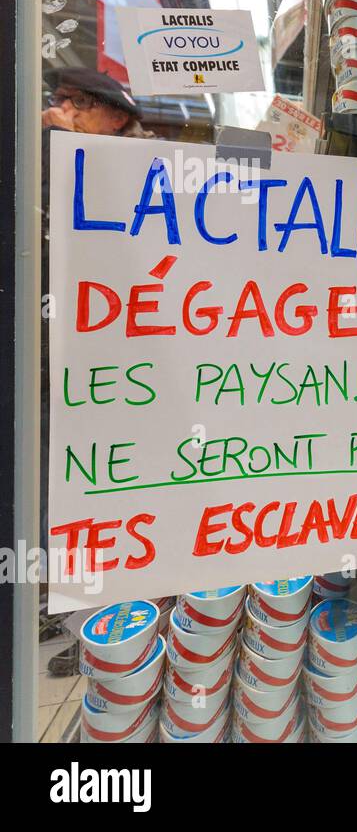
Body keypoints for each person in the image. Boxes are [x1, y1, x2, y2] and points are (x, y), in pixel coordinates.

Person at [41, 68, 152, 678]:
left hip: (129, 364)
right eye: (60, 101)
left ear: (110, 112)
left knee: (115, 492)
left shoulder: (136, 166)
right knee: (78, 488)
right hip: (82, 357)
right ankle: (77, 609)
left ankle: (107, 627)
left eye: (74, 102)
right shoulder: (58, 158)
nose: (62, 111)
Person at [42, 66, 152, 138]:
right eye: (59, 99)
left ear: (118, 119)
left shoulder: (142, 158)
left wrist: (62, 136)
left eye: (81, 100)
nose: (63, 107)